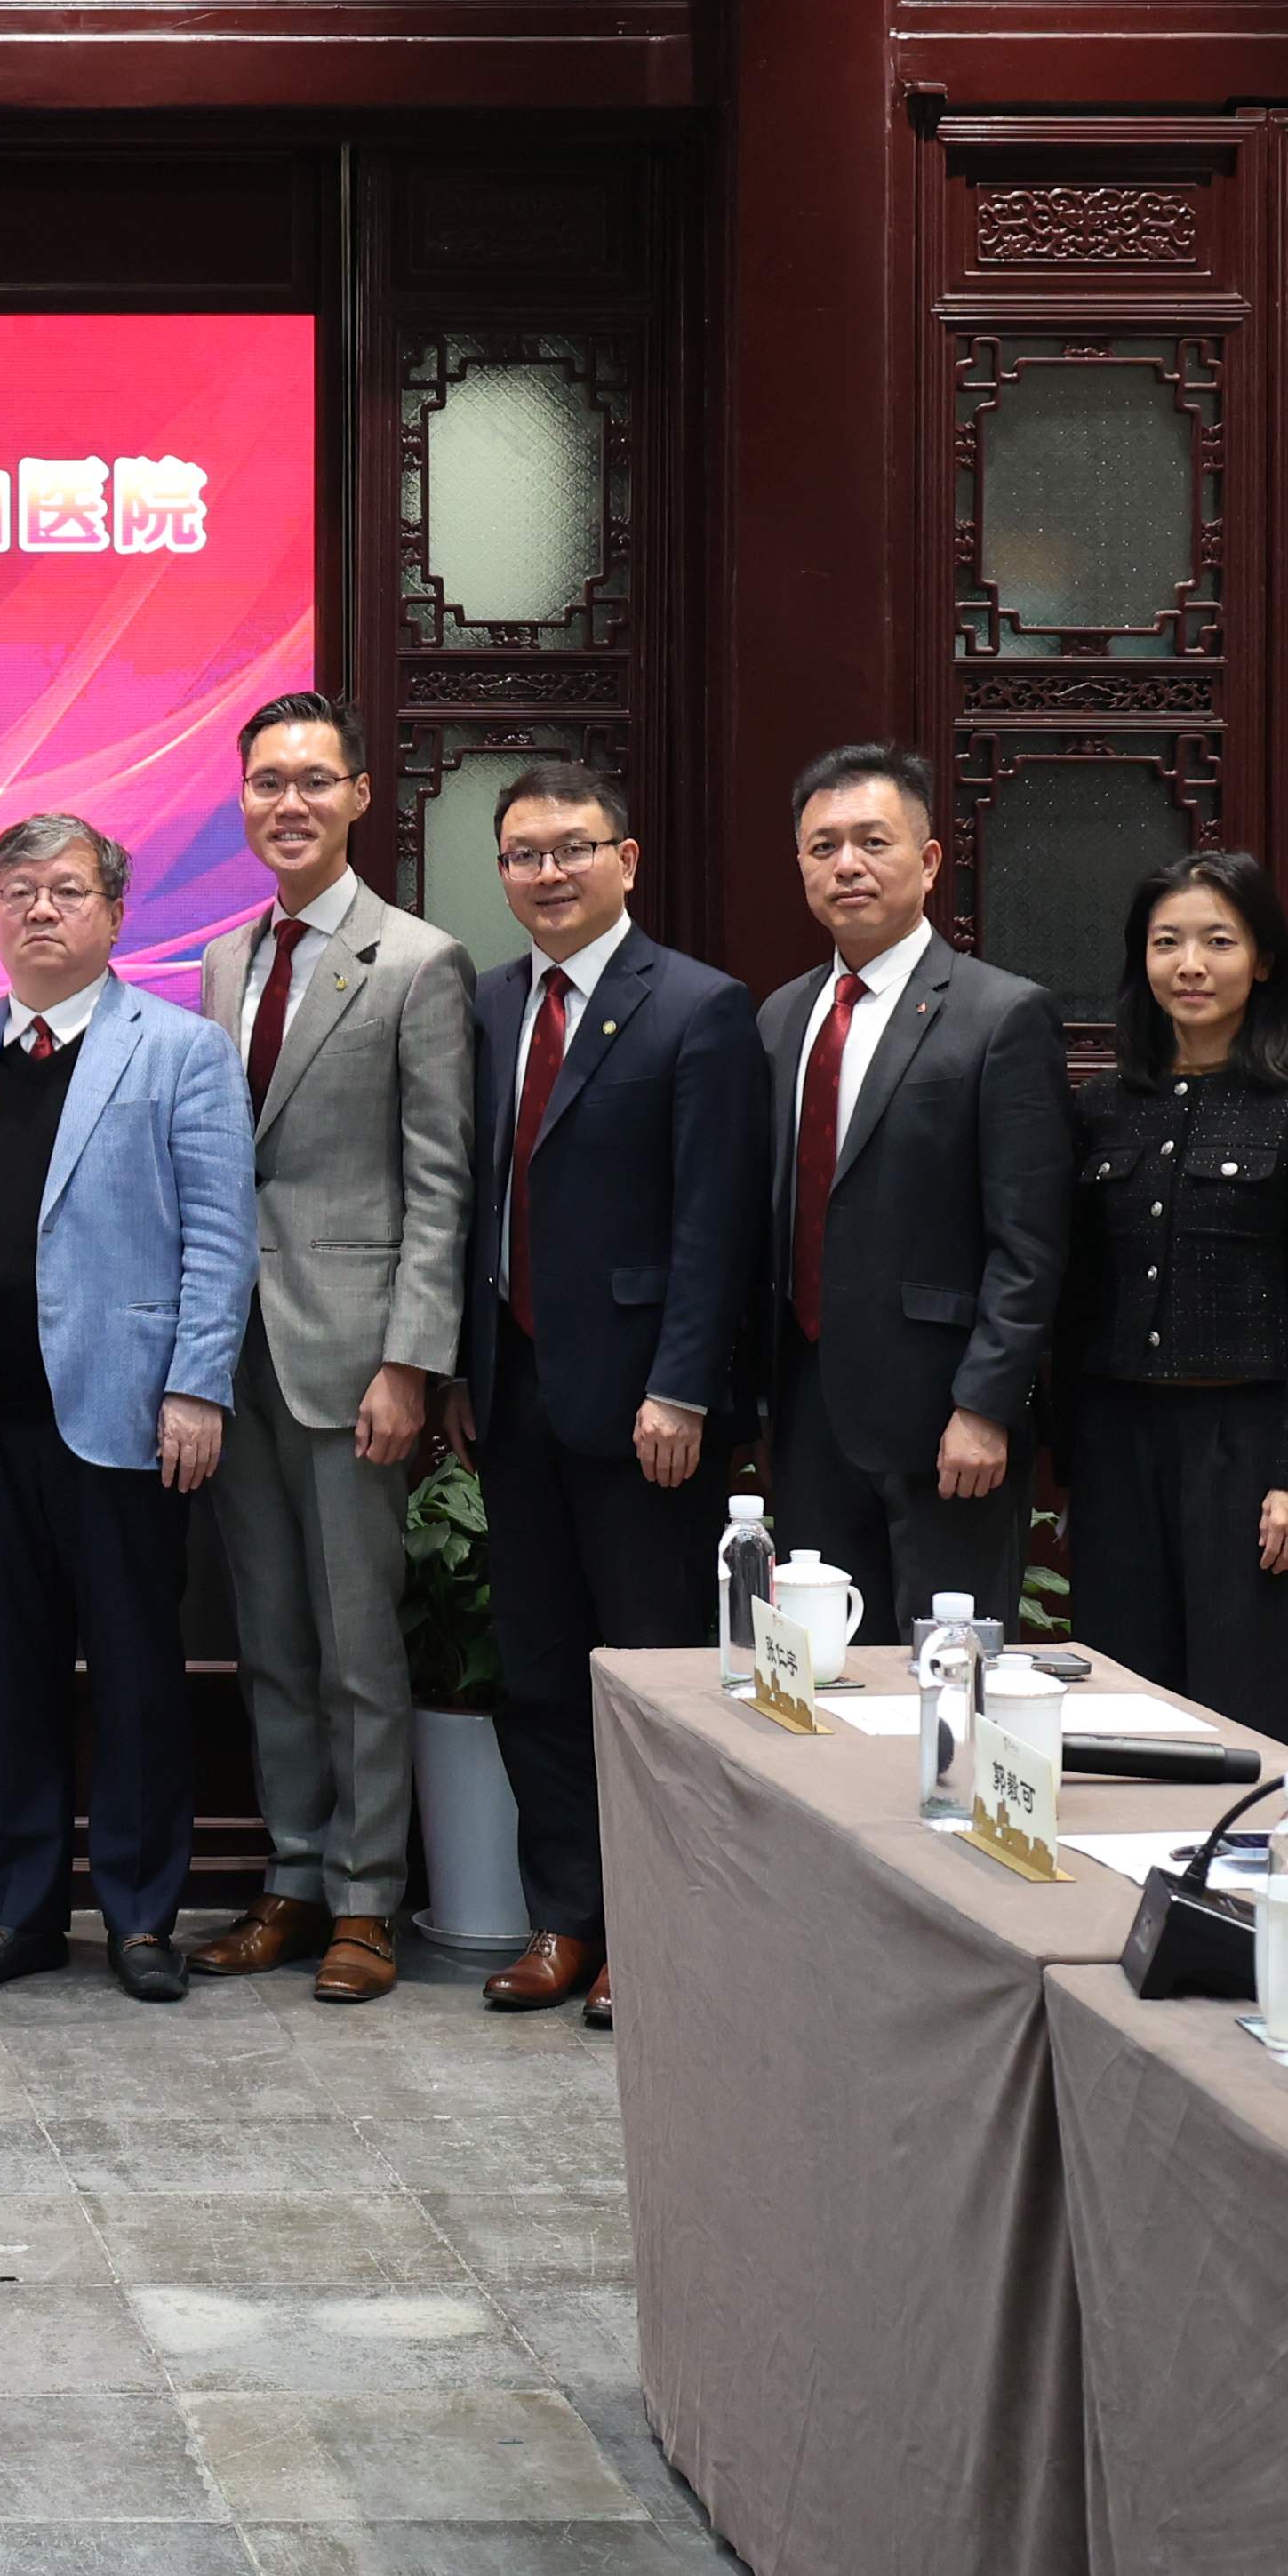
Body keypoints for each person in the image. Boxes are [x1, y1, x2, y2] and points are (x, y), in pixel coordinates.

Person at [0, 812, 257, 2005]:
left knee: (138, 1674)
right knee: (7, 1674)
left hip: (125, 1414)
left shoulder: (180, 1051)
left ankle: (144, 1917)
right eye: (17, 891)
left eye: (65, 891)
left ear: (115, 913)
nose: (39, 911)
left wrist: (198, 1385)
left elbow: (220, 1235)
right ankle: (16, 1913)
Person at [446, 761, 763, 2032]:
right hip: (514, 1391)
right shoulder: (485, 1004)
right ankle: (565, 1918)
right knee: (537, 1674)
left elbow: (715, 1225)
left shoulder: (698, 1006)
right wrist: (464, 1371)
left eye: (573, 848)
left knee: (655, 1678)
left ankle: (658, 1927)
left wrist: (682, 1388)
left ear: (626, 860)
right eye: (524, 854)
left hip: (645, 1412)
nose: (548, 873)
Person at [178, 692, 475, 2002]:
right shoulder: (226, 961)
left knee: (363, 1643)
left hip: (354, 1360)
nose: (285, 803)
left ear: (360, 795)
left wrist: (410, 1362)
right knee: (274, 1640)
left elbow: (440, 1181)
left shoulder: (418, 961)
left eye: (312, 780)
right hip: (236, 1355)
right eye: (264, 783)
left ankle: (368, 1899)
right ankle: (294, 1878)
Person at [756, 746, 1075, 1642]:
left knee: (948, 1682)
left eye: (871, 841)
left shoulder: (1001, 1013)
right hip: (810, 1413)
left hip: (947, 1422)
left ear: (929, 861)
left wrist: (984, 1403)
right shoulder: (782, 1017)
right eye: (822, 847)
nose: (846, 865)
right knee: (824, 1678)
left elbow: (1032, 1239)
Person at [1052, 852, 1288, 1739]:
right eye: (1167, 943)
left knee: (1240, 1702)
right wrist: (1069, 1452)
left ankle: (1231, 1872)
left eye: (1217, 941)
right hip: (1119, 1439)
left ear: (1262, 959)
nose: (1190, 964)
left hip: (1246, 1446)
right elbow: (1077, 1296)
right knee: (1121, 1696)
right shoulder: (1105, 1104)